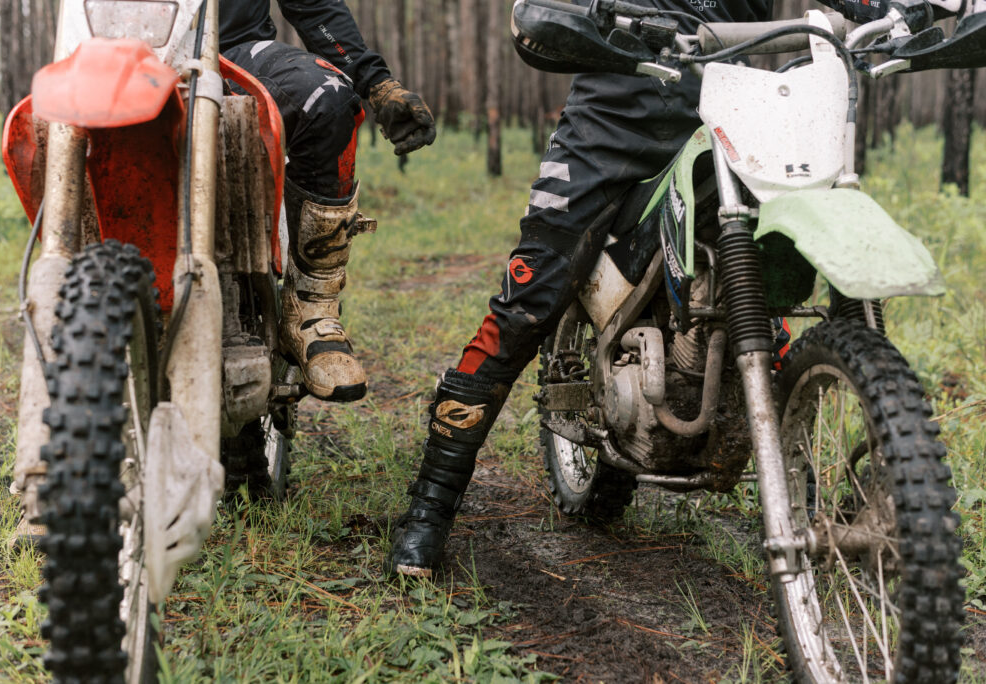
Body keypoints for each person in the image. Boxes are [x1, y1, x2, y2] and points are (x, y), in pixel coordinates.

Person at [385, 0, 901, 577]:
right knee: (525, 308)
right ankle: (429, 508)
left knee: (766, 290)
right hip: (610, 122)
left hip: (735, 110)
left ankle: (858, 479)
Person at [220, 0, 436, 401]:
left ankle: (312, 306)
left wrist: (377, 84)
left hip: (234, 53)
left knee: (327, 97)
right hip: (118, 55)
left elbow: (314, 4)